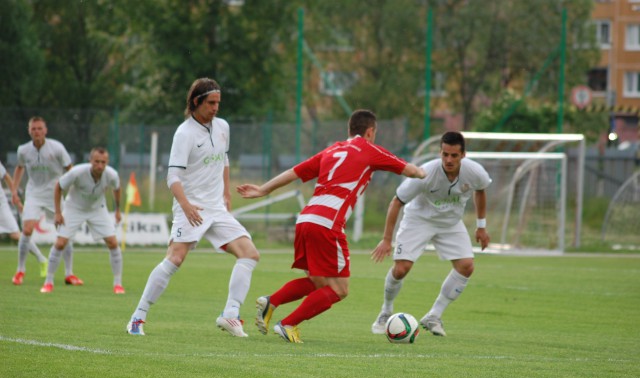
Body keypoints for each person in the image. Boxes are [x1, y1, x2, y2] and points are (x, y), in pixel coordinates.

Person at [237, 109, 426, 343]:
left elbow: (294, 172)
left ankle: (271, 302)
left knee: (319, 282)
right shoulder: (369, 148)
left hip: (305, 219)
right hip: (327, 224)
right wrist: (426, 172)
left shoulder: (332, 150)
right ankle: (287, 324)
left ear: (349, 130)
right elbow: (411, 171)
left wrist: (264, 189)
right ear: (370, 132)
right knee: (340, 289)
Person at [126, 77, 259, 337]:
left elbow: (224, 159)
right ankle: (137, 318)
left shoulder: (222, 126)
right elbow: (172, 177)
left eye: (218, 102)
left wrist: (226, 194)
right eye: (211, 103)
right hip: (192, 206)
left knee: (250, 253)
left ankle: (230, 315)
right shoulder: (184, 133)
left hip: (216, 207)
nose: (216, 108)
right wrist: (185, 206)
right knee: (175, 258)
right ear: (196, 102)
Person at [370, 131, 492, 337]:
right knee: (401, 269)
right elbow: (397, 201)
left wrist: (481, 226)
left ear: (463, 155)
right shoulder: (426, 173)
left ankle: (434, 315)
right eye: (445, 154)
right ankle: (385, 312)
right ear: (440, 153)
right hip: (419, 220)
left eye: (454, 155)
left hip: (450, 223)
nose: (448, 160)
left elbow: (480, 190)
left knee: (466, 266)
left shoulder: (475, 172)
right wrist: (386, 239)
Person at [40, 147, 124, 294]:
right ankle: (48, 282)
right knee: (60, 243)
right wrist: (58, 213)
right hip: (74, 207)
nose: (100, 165)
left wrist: (117, 209)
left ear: (107, 162)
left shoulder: (112, 175)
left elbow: (117, 189)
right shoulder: (77, 172)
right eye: (96, 161)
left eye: (103, 162)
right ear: (90, 161)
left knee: (113, 242)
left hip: (97, 208)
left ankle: (118, 284)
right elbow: (58, 186)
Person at [11, 117, 83, 286]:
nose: (37, 131)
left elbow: (70, 169)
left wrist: (74, 190)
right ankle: (20, 270)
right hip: (34, 193)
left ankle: (69, 273)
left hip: (55, 194)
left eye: (40, 128)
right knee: (27, 230)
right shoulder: (23, 150)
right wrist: (14, 191)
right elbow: (19, 167)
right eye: (33, 128)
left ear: (46, 130)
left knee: (65, 233)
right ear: (29, 131)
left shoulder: (57, 148)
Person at [0, 160, 48, 266]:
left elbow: (6, 177)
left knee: (15, 235)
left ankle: (42, 259)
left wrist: (14, 194)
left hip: (0, 205)